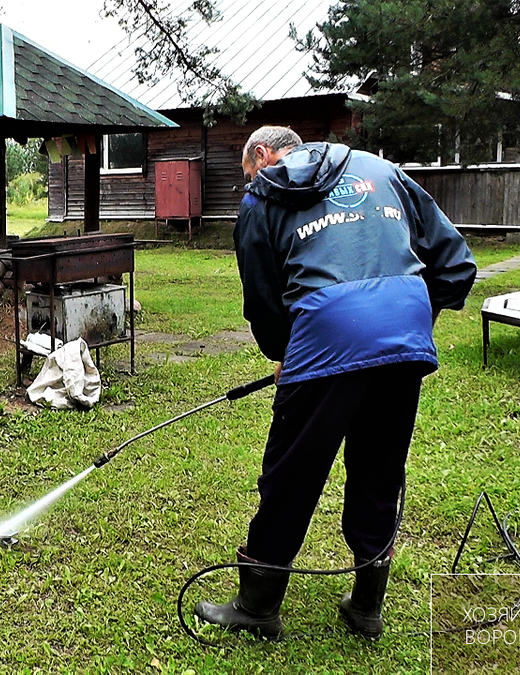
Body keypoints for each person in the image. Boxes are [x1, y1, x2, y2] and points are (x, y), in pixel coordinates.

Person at [194, 126, 476, 640]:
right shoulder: (382, 170)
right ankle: (367, 606)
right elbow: (455, 265)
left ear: (261, 156)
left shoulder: (263, 191)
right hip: (403, 339)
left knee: (292, 472)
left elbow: (261, 298)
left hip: (327, 331)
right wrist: (405, 320)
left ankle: (258, 607)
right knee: (379, 467)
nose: (250, 182)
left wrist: (286, 353)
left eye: (246, 172)